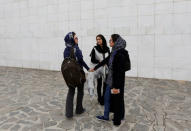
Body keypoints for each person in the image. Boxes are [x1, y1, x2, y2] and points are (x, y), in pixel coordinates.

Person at [91, 34, 131, 126]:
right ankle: (110, 116)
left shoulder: (120, 54)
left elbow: (120, 72)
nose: (109, 42)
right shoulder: (114, 52)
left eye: (110, 40)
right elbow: (105, 60)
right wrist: (95, 67)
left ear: (115, 42)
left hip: (116, 82)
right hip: (111, 80)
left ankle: (117, 120)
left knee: (117, 100)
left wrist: (116, 86)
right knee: (109, 97)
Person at [63, 32, 90, 118]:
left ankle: (69, 113)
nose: (77, 39)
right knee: (80, 91)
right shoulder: (76, 49)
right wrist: (88, 68)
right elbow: (81, 61)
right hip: (79, 75)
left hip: (70, 75)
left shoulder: (66, 50)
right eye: (75, 38)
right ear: (71, 39)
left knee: (71, 92)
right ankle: (79, 109)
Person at [88, 34, 110, 105]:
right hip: (98, 69)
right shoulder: (95, 48)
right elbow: (92, 59)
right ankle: (99, 98)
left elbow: (109, 58)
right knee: (99, 84)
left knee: (105, 84)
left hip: (106, 69)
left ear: (102, 39)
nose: (98, 40)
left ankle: (103, 98)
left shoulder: (107, 48)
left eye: (99, 39)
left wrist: (106, 63)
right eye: (97, 39)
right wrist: (99, 62)